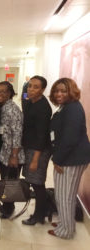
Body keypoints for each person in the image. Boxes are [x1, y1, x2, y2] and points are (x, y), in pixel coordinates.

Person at [48, 78, 90, 239]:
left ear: (71, 92)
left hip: (70, 159)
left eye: (63, 91)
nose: (59, 94)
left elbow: (70, 138)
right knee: (68, 195)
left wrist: (58, 159)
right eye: (56, 91)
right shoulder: (66, 107)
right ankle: (66, 224)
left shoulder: (72, 108)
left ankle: (65, 231)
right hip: (71, 157)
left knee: (64, 196)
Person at [22, 75, 52, 226]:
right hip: (30, 147)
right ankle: (42, 210)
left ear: (43, 89)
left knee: (38, 183)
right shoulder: (30, 102)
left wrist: (35, 159)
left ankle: (39, 216)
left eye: (36, 87)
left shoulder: (43, 108)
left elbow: (42, 136)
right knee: (34, 182)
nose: (31, 89)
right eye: (30, 86)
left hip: (39, 150)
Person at [0, 81, 25, 219]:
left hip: (12, 154)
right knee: (5, 181)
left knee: (11, 182)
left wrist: (14, 155)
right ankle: (6, 205)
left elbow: (17, 133)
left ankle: (9, 208)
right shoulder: (2, 107)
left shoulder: (13, 109)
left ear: (10, 93)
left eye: (3, 91)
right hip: (4, 153)